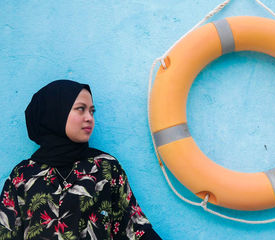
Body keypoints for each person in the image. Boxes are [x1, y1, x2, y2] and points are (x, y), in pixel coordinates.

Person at [0, 80, 162, 240]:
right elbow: (5, 232)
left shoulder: (105, 168)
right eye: (80, 109)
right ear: (56, 112)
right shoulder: (22, 176)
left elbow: (136, 229)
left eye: (92, 111)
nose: (89, 118)